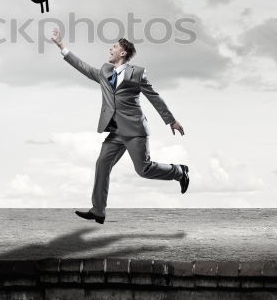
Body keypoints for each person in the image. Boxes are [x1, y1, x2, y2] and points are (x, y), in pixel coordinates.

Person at [50, 27, 189, 225]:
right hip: (115, 132)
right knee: (102, 165)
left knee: (143, 170)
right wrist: (61, 46)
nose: (110, 48)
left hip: (134, 131)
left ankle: (179, 172)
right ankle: (98, 211)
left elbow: (154, 97)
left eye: (114, 46)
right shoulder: (105, 71)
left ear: (123, 53)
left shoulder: (137, 73)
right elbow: (84, 67)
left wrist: (171, 120)